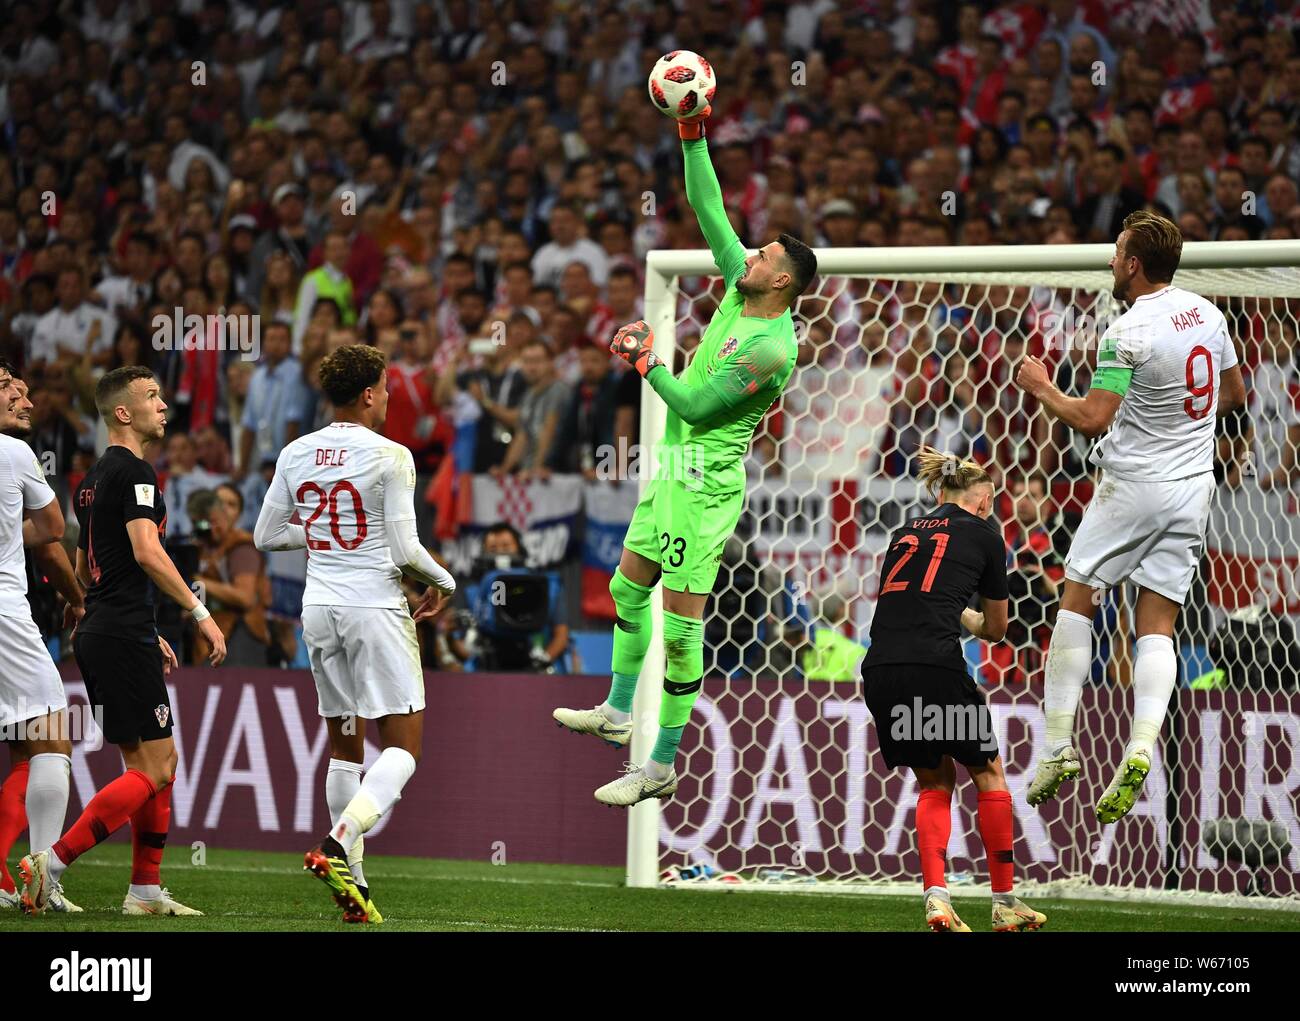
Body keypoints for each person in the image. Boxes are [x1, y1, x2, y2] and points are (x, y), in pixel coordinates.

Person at [552, 99, 818, 807]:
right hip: (672, 470)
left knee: (678, 628)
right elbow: (709, 209)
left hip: (705, 487)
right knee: (623, 589)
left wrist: (648, 363)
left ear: (783, 279)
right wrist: (692, 133)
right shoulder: (741, 291)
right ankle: (615, 712)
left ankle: (662, 761)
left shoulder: (772, 345)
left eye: (764, 255)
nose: (751, 252)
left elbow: (698, 408)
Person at [1014, 210, 1247, 823]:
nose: (1112, 263)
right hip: (1193, 489)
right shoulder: (1208, 313)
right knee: (1157, 621)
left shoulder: (1128, 332)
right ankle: (1141, 744)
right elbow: (1233, 395)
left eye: (1118, 254)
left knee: (1077, 596)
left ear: (1135, 263)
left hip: (1134, 485)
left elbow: (1092, 418)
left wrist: (1040, 386)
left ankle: (1060, 744)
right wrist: (1189, 426)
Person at [253, 344, 456, 924]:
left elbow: (267, 535)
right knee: (403, 748)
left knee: (346, 747)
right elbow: (403, 549)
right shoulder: (392, 456)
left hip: (319, 611)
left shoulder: (296, 452)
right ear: (368, 393)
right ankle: (340, 843)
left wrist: (323, 533)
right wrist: (446, 580)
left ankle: (356, 885)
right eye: (387, 388)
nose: (390, 396)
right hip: (374, 609)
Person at [19, 365, 227, 916]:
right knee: (157, 768)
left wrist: (142, 626)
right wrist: (198, 612)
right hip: (118, 633)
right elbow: (144, 551)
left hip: (107, 630)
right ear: (122, 413)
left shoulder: (89, 480)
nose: (164, 405)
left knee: (149, 764)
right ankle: (52, 864)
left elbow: (94, 564)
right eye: (153, 396)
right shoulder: (135, 473)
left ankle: (145, 892)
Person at [862, 446, 1046, 933]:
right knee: (987, 771)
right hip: (936, 668)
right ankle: (1005, 902)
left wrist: (952, 610)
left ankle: (937, 900)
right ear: (984, 502)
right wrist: (970, 619)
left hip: (881, 670)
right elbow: (997, 629)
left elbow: (913, 598)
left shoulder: (905, 532)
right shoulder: (985, 533)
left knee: (934, 782)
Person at [0, 362, 85, 913]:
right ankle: (42, 880)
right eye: (11, 391)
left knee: (21, 744)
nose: (25, 401)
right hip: (4, 611)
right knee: (52, 735)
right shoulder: (14, 454)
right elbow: (54, 528)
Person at [187, 488, 270, 667]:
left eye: (230, 504)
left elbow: (245, 598)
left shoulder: (241, 547)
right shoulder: (201, 548)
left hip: (241, 635)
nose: (211, 527)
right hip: (208, 634)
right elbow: (199, 592)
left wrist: (199, 580)